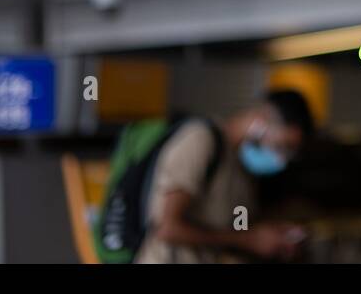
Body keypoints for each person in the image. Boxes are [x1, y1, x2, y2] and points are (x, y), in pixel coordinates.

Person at [133, 90, 313, 263]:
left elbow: (238, 229)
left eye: (290, 153)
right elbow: (167, 228)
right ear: (260, 121)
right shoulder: (201, 141)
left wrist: (271, 236)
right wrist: (250, 240)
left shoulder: (245, 170)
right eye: (282, 146)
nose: (282, 160)